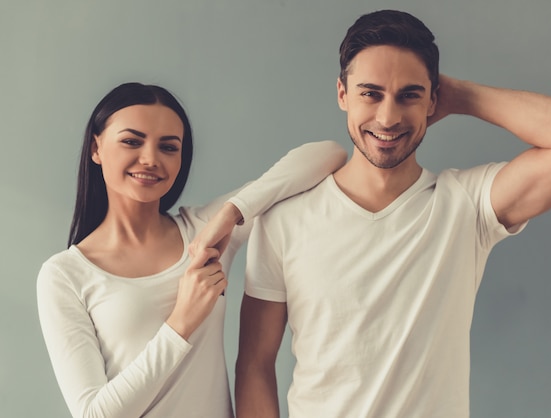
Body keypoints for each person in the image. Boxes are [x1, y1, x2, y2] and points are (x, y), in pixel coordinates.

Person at [234, 9, 551, 418]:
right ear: (342, 93)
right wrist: (421, 88)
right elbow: (255, 364)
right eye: (371, 93)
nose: (388, 117)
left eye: (409, 95)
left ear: (434, 100)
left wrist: (462, 95)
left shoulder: (466, 205)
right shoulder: (284, 221)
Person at [36, 82, 346, 418]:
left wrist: (231, 213)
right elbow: (93, 414)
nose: (151, 158)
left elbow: (328, 154)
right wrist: (181, 321)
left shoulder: (205, 232)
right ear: (96, 148)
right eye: (131, 141)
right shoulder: (65, 275)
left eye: (168, 147)